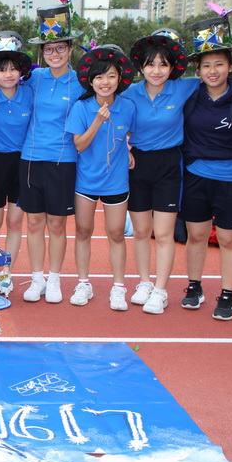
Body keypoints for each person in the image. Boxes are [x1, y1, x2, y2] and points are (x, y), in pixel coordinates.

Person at [179, 10, 232, 321]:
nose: (212, 71)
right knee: (196, 236)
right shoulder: (191, 94)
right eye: (206, 66)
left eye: (219, 64)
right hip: (197, 176)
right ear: (198, 70)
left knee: (229, 239)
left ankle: (227, 295)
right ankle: (194, 286)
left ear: (231, 67)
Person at [20, 0, 84, 303]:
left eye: (60, 48)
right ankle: (37, 279)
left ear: (70, 49)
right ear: (42, 51)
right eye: (48, 49)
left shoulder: (82, 82)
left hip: (64, 161)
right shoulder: (34, 78)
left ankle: (55, 279)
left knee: (57, 223)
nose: (54, 54)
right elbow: (3, 84)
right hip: (30, 159)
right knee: (34, 222)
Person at [125, 29, 193, 314]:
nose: (156, 70)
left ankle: (161, 290)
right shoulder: (129, 92)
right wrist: (124, 148)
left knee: (164, 233)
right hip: (137, 164)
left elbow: (222, 78)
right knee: (141, 232)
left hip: (169, 165)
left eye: (163, 64)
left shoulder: (185, 88)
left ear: (172, 67)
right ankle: (144, 283)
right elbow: (111, 120)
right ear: (141, 67)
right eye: (150, 64)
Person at [66, 46, 137, 311]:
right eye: (99, 77)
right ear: (90, 80)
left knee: (116, 233)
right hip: (86, 180)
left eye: (111, 76)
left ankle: (118, 287)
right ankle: (83, 283)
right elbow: (80, 145)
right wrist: (97, 121)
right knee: (83, 231)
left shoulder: (128, 107)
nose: (105, 82)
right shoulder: (81, 107)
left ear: (120, 79)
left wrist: (129, 150)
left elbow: (132, 134)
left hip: (116, 180)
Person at [0, 32, 34, 286]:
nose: (8, 74)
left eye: (13, 69)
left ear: (21, 71)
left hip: (23, 164)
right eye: (2, 70)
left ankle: (5, 274)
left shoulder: (30, 94)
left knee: (15, 222)